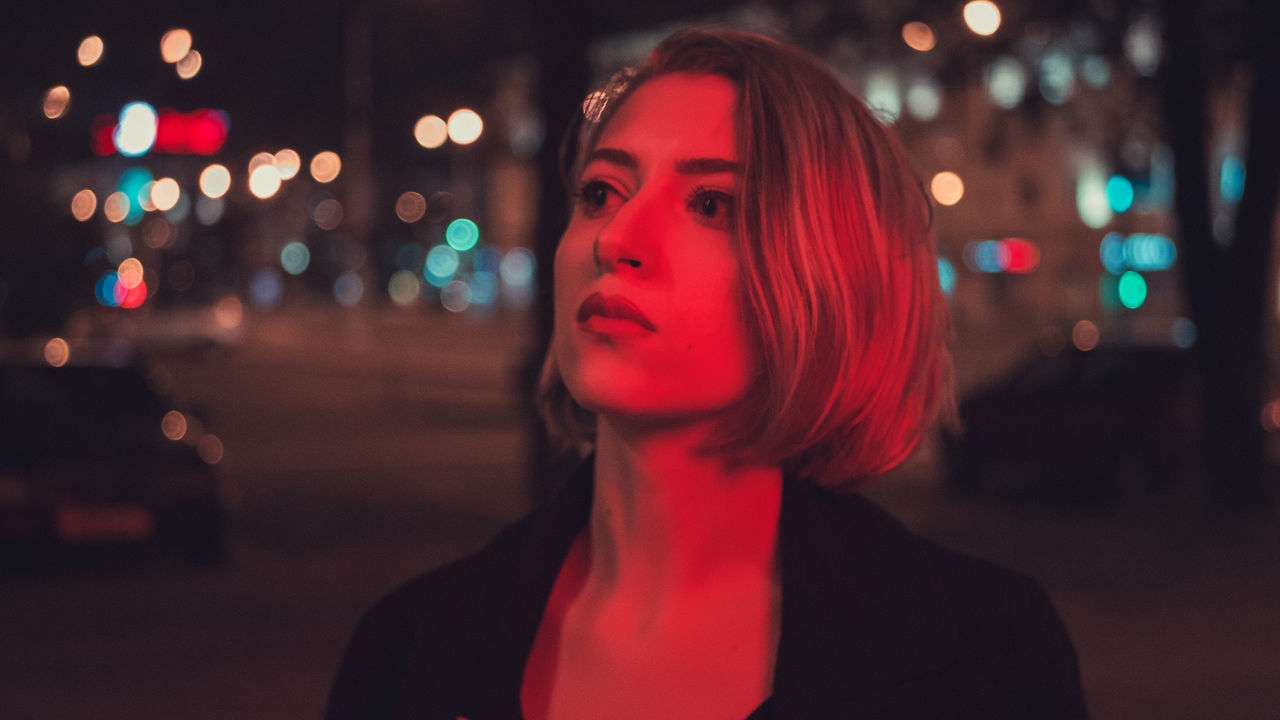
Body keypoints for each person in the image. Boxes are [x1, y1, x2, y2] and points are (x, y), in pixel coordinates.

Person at [326, 28, 1087, 720]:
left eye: (712, 203)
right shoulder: (409, 651)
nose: (618, 237)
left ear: (830, 278)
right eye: (600, 193)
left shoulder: (991, 654)